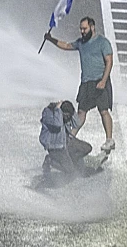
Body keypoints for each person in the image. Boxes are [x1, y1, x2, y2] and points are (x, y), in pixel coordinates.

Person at [43, 17, 115, 155]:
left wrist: (104, 81)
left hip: (100, 81)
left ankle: (109, 139)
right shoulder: (81, 43)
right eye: (81, 29)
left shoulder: (102, 42)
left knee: (104, 110)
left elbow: (109, 62)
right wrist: (50, 39)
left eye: (84, 28)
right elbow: (66, 46)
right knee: (81, 112)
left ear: (92, 27)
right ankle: (71, 137)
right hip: (86, 83)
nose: (82, 31)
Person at [38, 100, 92, 175]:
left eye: (69, 116)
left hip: (65, 141)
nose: (67, 118)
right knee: (71, 172)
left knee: (87, 148)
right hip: (55, 147)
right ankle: (50, 160)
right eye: (65, 116)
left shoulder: (66, 113)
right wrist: (57, 110)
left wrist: (72, 112)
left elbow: (77, 124)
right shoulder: (48, 113)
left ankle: (72, 161)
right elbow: (58, 124)